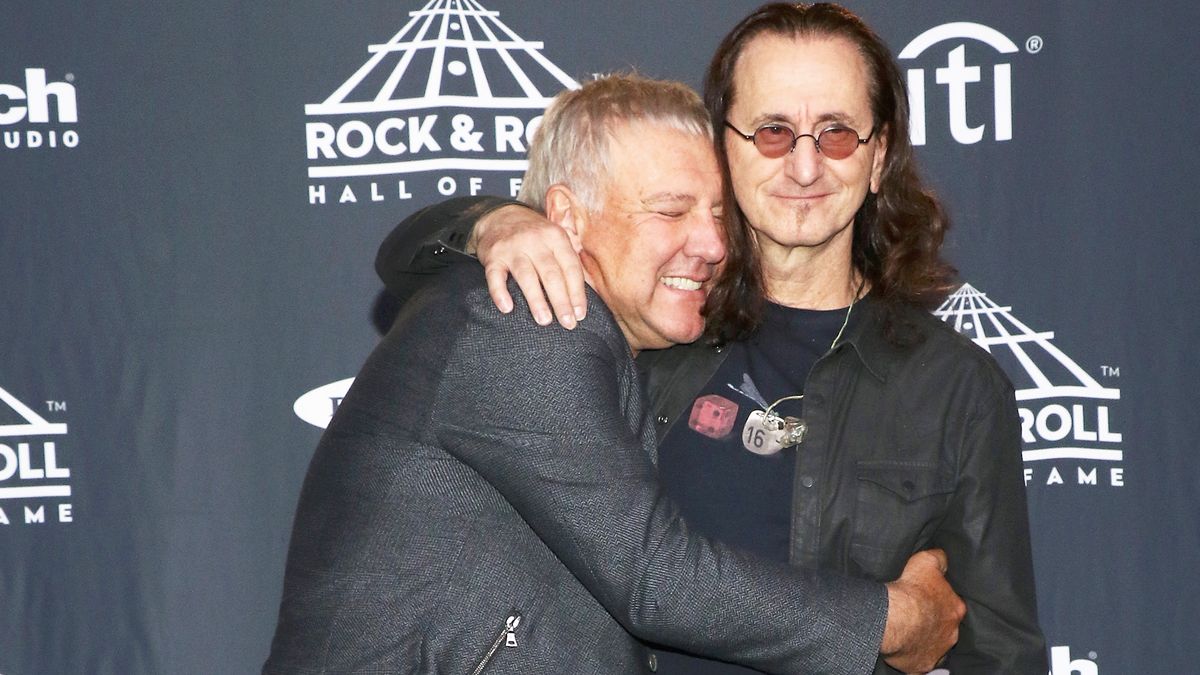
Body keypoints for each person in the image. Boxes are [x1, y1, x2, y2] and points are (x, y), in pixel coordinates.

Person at [376, 4, 1047, 674]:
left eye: (837, 133)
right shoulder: (653, 325)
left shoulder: (956, 387)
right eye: (774, 131)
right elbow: (422, 274)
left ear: (878, 158)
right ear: (723, 144)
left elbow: (1002, 654)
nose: (805, 166)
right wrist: (491, 221)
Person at [265, 74, 963, 675]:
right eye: (672, 210)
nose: (715, 243)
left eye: (720, 213)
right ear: (566, 218)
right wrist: (892, 618)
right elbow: (656, 577)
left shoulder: (606, 344)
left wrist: (482, 219)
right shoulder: (525, 319)